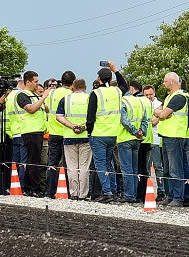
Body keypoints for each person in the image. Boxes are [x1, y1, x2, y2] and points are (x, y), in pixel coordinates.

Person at [88, 62, 129, 203]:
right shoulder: (117, 91)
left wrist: (89, 132)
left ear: (98, 79)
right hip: (113, 134)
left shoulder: (95, 93)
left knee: (100, 164)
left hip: (99, 134)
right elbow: (124, 85)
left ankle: (107, 192)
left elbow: (90, 117)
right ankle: (114, 191)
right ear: (110, 78)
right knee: (109, 164)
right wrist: (116, 70)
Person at [7, 71, 53, 197]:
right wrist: (43, 97)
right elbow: (30, 109)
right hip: (30, 131)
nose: (37, 84)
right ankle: (35, 188)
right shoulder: (22, 95)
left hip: (37, 130)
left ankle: (27, 187)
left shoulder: (34, 95)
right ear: (28, 82)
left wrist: (43, 99)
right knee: (34, 161)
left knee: (32, 160)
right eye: (35, 81)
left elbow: (44, 109)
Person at [154, 72, 189, 207]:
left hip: (175, 135)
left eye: (165, 81)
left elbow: (162, 114)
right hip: (168, 135)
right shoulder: (170, 97)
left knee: (175, 169)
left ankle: (177, 197)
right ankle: (172, 196)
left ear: (172, 82)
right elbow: (158, 111)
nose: (163, 84)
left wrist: (161, 113)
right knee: (169, 169)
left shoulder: (179, 97)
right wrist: (160, 113)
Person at [55, 78, 92, 199]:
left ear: (73, 87)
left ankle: (74, 193)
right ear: (85, 87)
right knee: (84, 167)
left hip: (69, 137)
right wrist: (84, 128)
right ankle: (83, 194)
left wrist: (72, 126)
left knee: (72, 167)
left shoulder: (66, 99)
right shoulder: (89, 98)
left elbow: (59, 116)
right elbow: (94, 118)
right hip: (85, 136)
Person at [117, 79, 149, 204]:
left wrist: (134, 131)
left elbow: (124, 121)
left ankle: (129, 195)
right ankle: (134, 194)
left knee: (127, 169)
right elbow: (145, 119)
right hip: (137, 140)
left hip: (125, 138)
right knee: (135, 169)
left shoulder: (123, 101)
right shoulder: (139, 101)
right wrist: (141, 131)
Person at [43, 73, 73, 197]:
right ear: (72, 83)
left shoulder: (52, 93)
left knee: (52, 164)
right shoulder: (71, 95)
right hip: (67, 133)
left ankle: (49, 192)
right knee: (67, 164)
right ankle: (67, 191)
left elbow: (47, 108)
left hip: (54, 132)